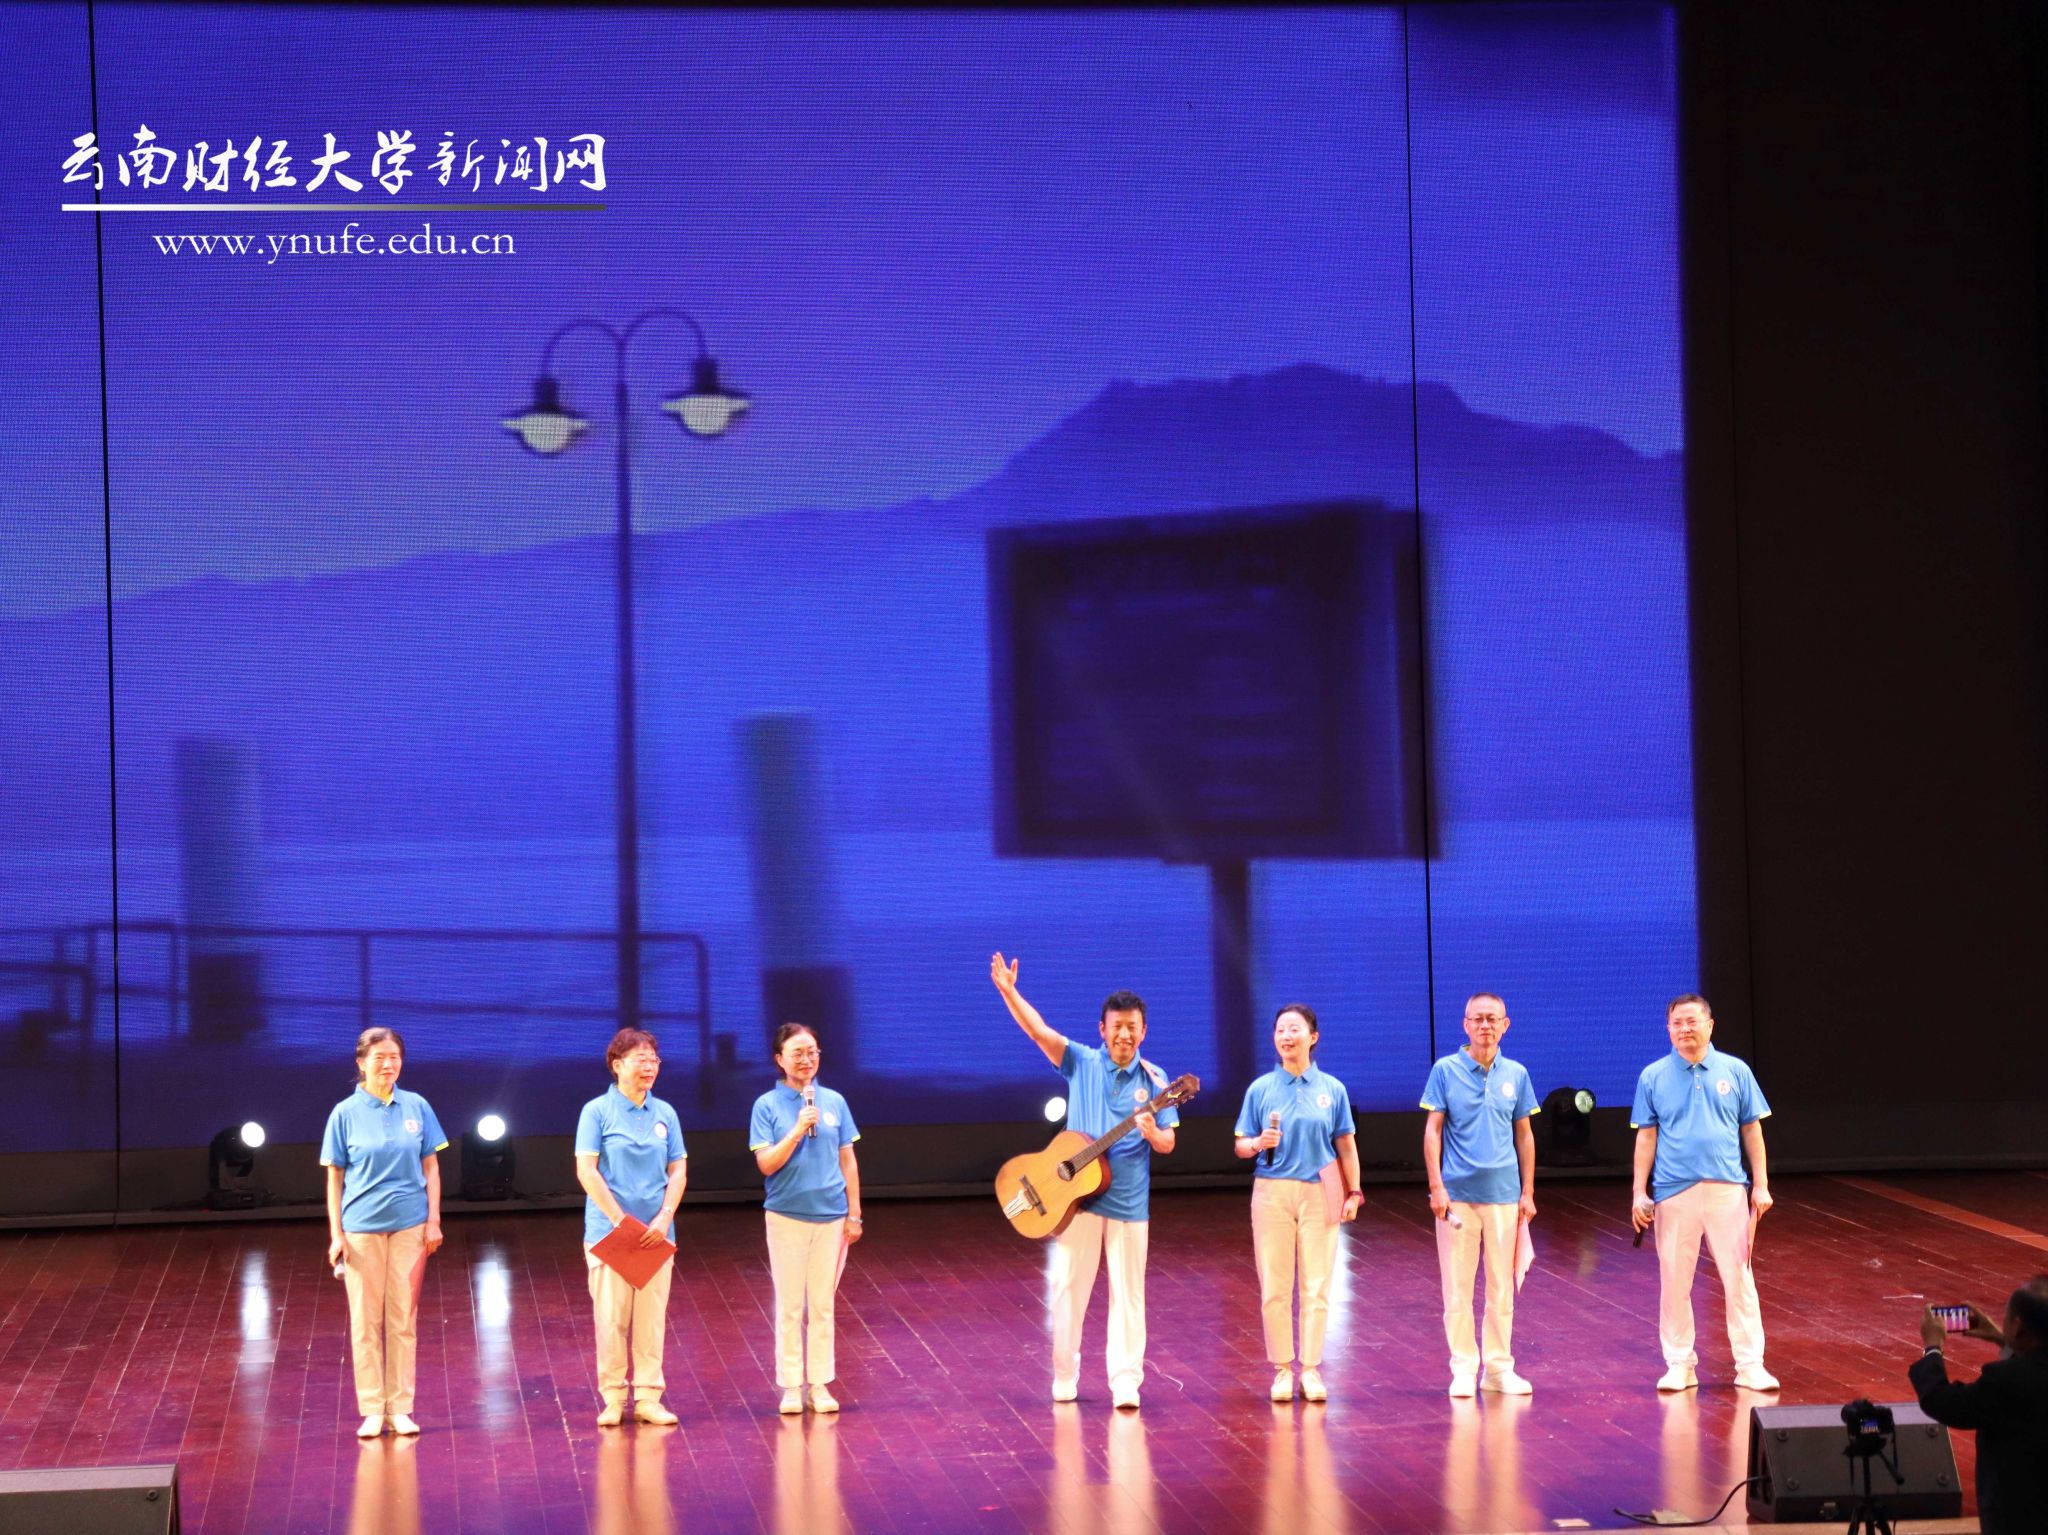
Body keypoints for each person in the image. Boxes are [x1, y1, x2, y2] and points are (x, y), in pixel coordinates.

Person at [991, 952, 1178, 1410]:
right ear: (1102, 1029)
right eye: (1117, 1026)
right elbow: (1038, 1031)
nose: (1124, 1034)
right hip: (1076, 1202)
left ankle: (1126, 1382)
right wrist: (1010, 992)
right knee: (1068, 1292)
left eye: (1132, 1027)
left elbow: (1168, 1141)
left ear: (1144, 1032)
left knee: (1128, 1296)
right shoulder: (1081, 1062)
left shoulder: (1157, 1081)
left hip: (1128, 1204)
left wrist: (1154, 1134)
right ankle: (1064, 1374)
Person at [1629, 993, 1777, 1392]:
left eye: (1692, 1021)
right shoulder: (1653, 1076)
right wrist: (1639, 1192)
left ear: (1710, 1025)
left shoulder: (1736, 1070)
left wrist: (1761, 1184)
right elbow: (1646, 1137)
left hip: (1727, 1190)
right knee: (1675, 1281)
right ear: (1668, 1029)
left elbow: (1752, 1129)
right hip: (1673, 1193)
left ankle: (1750, 1365)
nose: (1684, 1029)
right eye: (1677, 1023)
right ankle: (1679, 1364)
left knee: (1739, 1278)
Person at [321, 1026, 448, 1439]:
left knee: (402, 1318)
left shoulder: (417, 1106)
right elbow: (335, 1178)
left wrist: (433, 1219)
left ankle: (401, 1407)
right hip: (362, 1229)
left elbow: (431, 1166)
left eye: (394, 1057)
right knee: (365, 1321)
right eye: (379, 1058)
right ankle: (373, 1409)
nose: (388, 1064)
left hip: (411, 1227)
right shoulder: (344, 1113)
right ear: (361, 1064)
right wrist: (337, 1234)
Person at [1234, 1003, 1362, 1403]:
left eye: (1294, 1029)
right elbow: (1240, 1145)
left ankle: (1310, 1369)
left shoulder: (1332, 1089)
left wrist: (1355, 1191)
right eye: (1280, 1030)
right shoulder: (1260, 1089)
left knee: (1317, 1284)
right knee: (1275, 1284)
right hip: (1272, 1191)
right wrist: (1257, 1143)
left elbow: (1346, 1144)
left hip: (1321, 1188)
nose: (1286, 1036)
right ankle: (1281, 1370)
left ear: (1313, 1037)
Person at [1421, 991, 1538, 1398]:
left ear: (1506, 1025)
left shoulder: (1517, 1074)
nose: (1485, 1025)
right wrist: (1436, 1186)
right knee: (1457, 1287)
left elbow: (1525, 1136)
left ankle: (1498, 1369)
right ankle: (1463, 1369)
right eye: (1477, 1019)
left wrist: (1528, 1191)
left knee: (1502, 1286)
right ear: (1465, 1024)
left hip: (1504, 1196)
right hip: (1458, 1196)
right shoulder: (1445, 1070)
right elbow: (1433, 1131)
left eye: (1492, 1019)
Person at [575, 1027, 688, 1427]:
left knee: (650, 1320)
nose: (649, 1067)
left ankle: (648, 1397)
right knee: (612, 1319)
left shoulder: (665, 1113)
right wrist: (619, 1220)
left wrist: (665, 1216)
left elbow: (678, 1169)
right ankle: (612, 1397)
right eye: (640, 1060)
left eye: (654, 1060)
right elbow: (587, 1171)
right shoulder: (596, 1111)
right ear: (617, 1065)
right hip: (610, 1234)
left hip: (656, 1235)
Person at [750, 1022, 863, 1416]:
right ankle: (790, 1386)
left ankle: (819, 1384)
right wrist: (798, 1129)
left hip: (832, 1217)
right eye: (797, 1053)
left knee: (822, 1304)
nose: (806, 1059)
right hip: (787, 1215)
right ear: (779, 1059)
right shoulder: (766, 1105)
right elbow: (766, 1163)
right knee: (789, 1305)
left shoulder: (834, 1101)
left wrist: (855, 1213)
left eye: (812, 1052)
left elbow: (847, 1160)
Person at [1910, 1285, 2048, 1534]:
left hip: (2021, 1517)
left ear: (2018, 1327)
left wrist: (1932, 1347)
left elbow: (1943, 1402)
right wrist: (2002, 1338)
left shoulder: (2004, 1381)